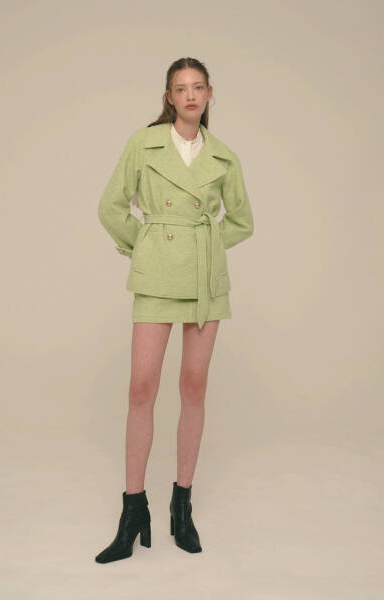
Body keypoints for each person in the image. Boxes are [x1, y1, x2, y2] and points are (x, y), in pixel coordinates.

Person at [95, 57, 254, 563]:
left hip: (206, 281)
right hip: (157, 274)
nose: (189, 95)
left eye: (197, 87)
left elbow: (242, 221)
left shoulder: (224, 157)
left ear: (209, 94)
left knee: (193, 386)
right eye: (180, 88)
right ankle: (132, 510)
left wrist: (204, 248)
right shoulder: (143, 144)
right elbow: (111, 206)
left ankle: (181, 506)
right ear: (168, 97)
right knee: (141, 387)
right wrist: (145, 247)